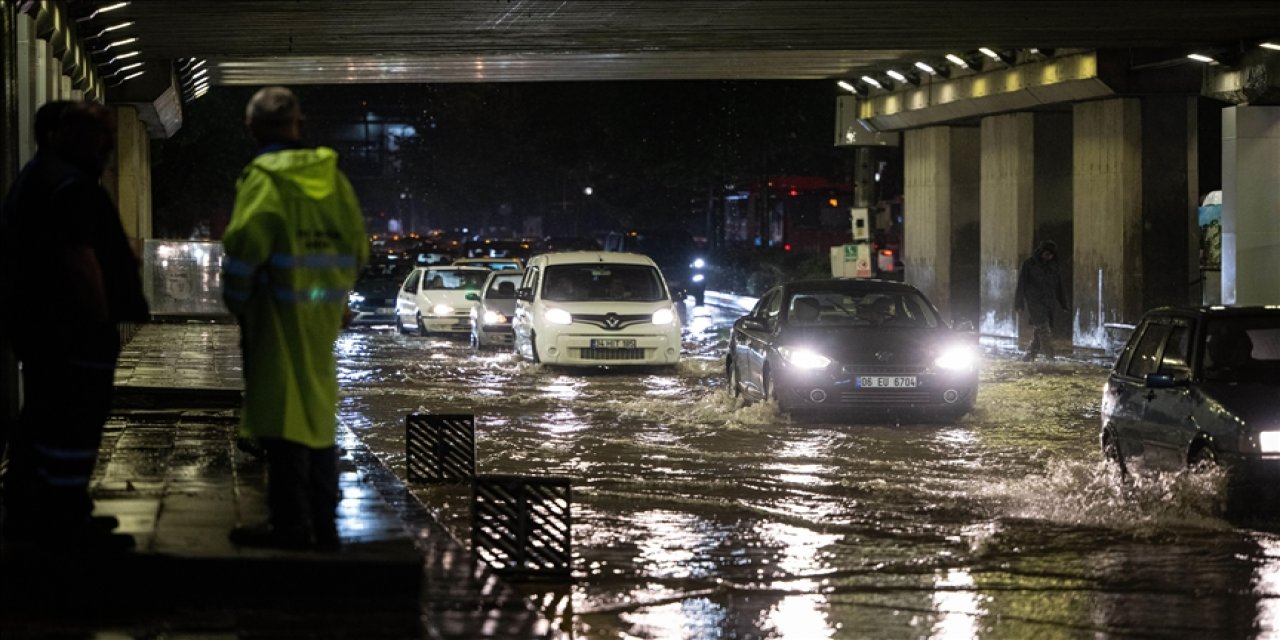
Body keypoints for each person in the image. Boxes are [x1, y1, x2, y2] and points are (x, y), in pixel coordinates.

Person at [222, 87, 369, 551]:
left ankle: (289, 526)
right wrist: (331, 298)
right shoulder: (335, 179)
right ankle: (324, 523)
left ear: (250, 129)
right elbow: (357, 248)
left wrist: (237, 298)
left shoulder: (263, 179)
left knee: (280, 420)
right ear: (299, 125)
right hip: (322, 318)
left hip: (274, 319)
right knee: (318, 414)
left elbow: (246, 245)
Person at [0, 101, 149, 550]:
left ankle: (35, 512)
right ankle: (65, 523)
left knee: (43, 419)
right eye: (97, 134)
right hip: (74, 331)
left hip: (43, 328)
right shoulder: (70, 186)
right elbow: (79, 261)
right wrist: (101, 322)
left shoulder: (37, 178)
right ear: (62, 135)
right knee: (74, 423)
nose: (106, 145)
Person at [1014, 240, 1068, 361]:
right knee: (1044, 330)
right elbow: (1021, 284)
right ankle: (1050, 358)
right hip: (1034, 303)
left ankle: (1029, 356)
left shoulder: (1054, 265)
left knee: (1039, 332)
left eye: (1051, 254)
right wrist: (1019, 303)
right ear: (1041, 252)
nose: (1048, 256)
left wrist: (1063, 303)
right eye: (1046, 253)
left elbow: (1059, 285)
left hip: (1048, 303)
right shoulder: (1029, 264)